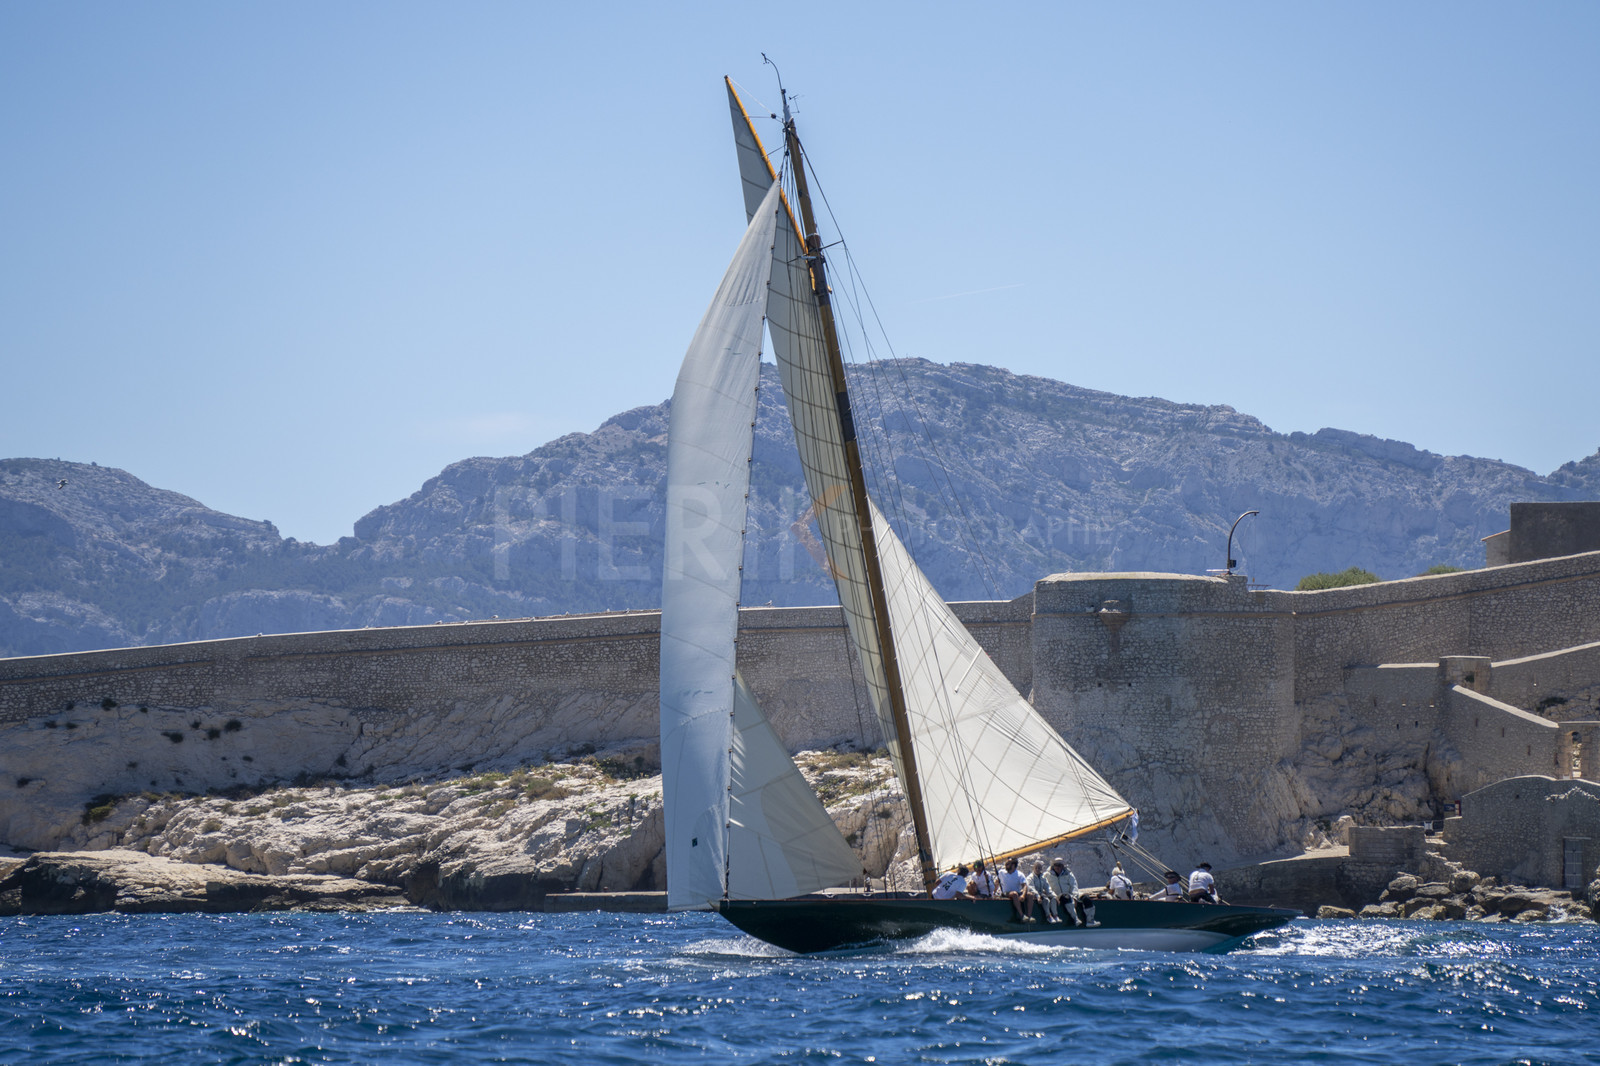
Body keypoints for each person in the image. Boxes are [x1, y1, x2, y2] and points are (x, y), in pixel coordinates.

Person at [1046, 856, 1083, 926]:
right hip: (1055, 895)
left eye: (1059, 865)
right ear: (1053, 866)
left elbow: (1074, 885)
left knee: (1085, 897)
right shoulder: (1048, 874)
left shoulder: (1068, 874)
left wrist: (1074, 897)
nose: (1057, 867)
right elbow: (1045, 886)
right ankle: (1075, 918)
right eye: (1056, 865)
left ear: (1062, 866)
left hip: (1068, 895)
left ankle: (1089, 920)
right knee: (1065, 897)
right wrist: (1053, 895)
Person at [997, 856, 1036, 922]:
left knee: (1030, 895)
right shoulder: (1001, 872)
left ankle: (1029, 917)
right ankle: (1022, 915)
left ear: (1013, 865)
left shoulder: (1020, 874)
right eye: (1006, 863)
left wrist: (1023, 895)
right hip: (1006, 893)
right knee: (1014, 894)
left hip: (1017, 892)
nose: (1006, 864)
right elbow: (996, 883)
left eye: (1008, 863)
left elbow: (1025, 886)